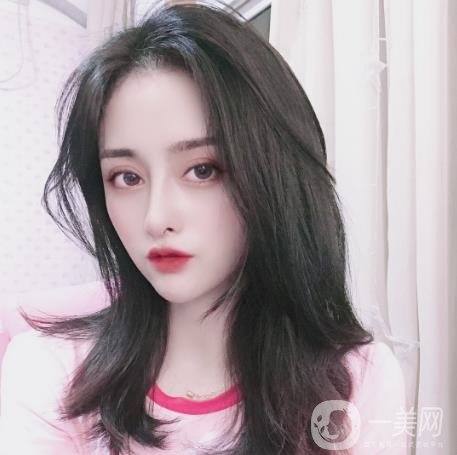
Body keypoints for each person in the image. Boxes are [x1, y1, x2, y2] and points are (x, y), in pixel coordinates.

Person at [0, 2, 407, 454]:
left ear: (275, 175)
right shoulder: (49, 373)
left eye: (202, 170)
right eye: (127, 177)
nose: (156, 218)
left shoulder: (358, 380)